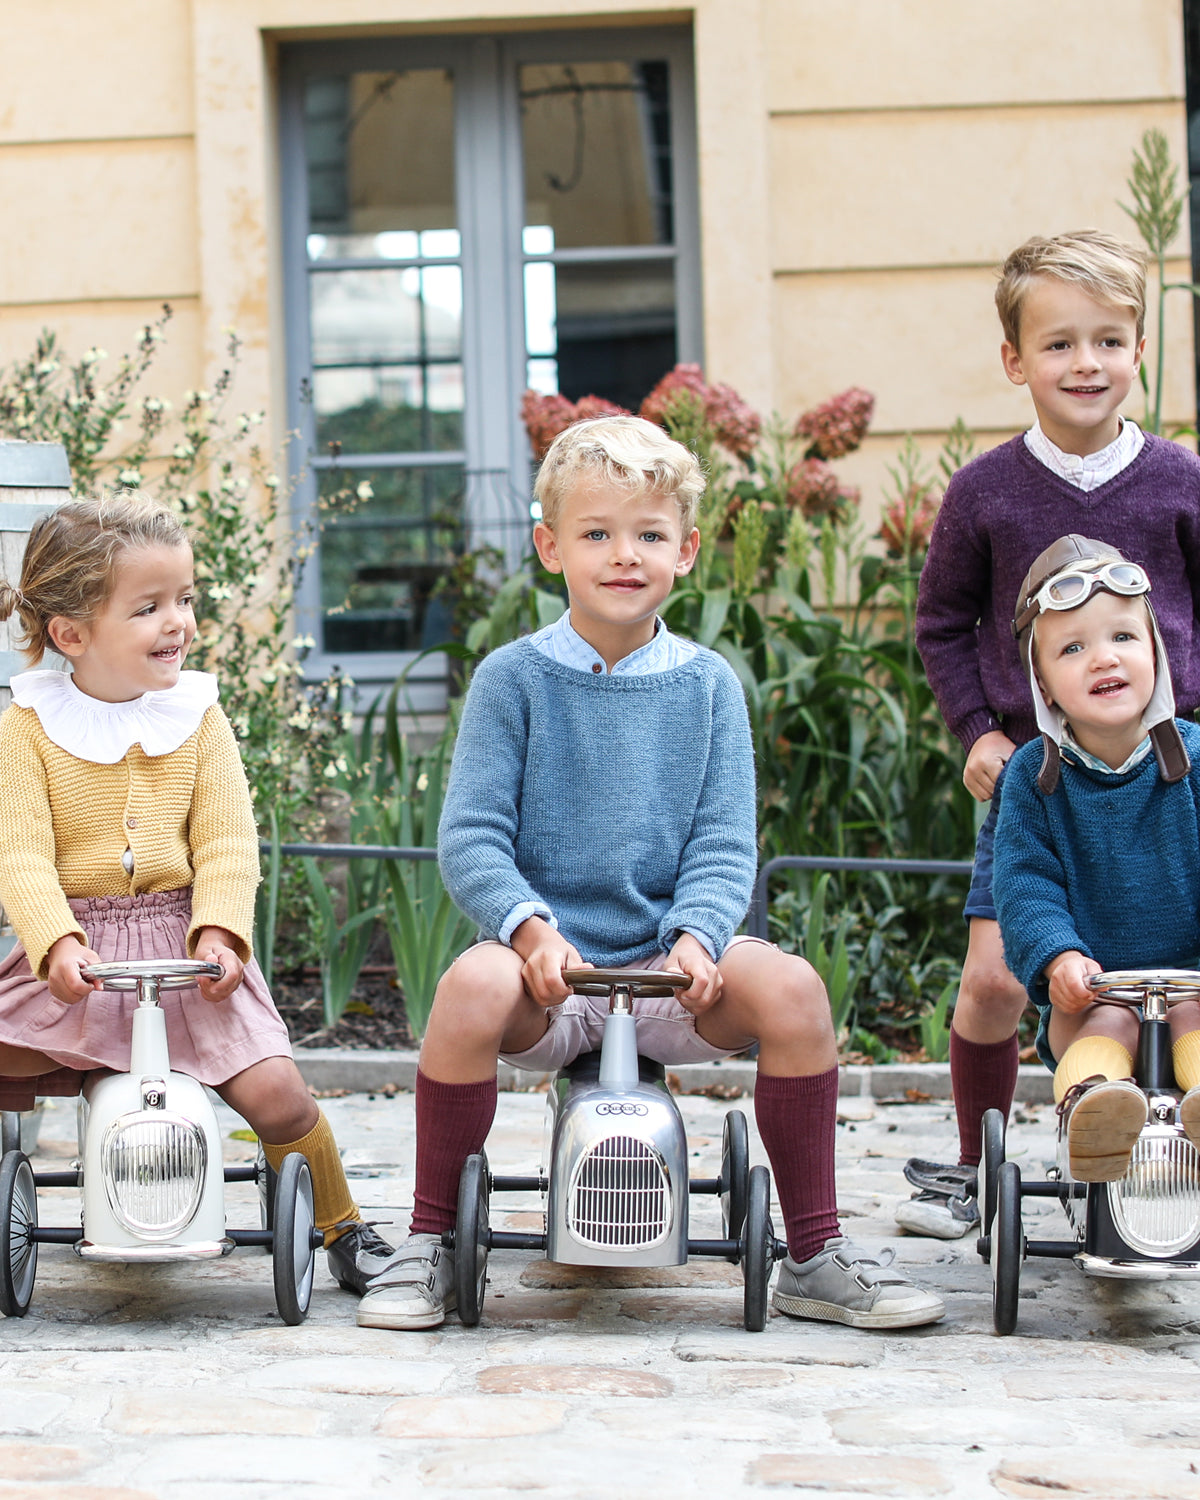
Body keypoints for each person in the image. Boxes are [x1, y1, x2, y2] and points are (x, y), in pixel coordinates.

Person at [356, 415, 944, 1333]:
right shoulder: (512, 680)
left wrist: (697, 939)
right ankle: (429, 1242)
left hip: (675, 974)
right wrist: (528, 929)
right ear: (550, 547)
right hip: (549, 977)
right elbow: (471, 839)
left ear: (687, 550)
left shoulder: (706, 684)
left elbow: (721, 845)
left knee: (792, 990)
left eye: (649, 535)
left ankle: (814, 1252)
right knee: (468, 988)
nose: (623, 555)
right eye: (596, 534)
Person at [0, 492, 394, 1295]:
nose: (178, 621)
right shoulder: (28, 729)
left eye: (185, 599)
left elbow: (225, 842)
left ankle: (340, 1222)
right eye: (148, 607)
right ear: (71, 635)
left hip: (186, 949)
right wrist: (57, 941)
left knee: (277, 1094)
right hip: (80, 952)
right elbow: (22, 855)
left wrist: (220, 930)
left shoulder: (198, 719)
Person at [904, 228, 1200, 1234]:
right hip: (1038, 779)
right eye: (1061, 343)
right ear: (1014, 360)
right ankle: (974, 1166)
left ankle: (1178, 1134)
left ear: (1139, 351)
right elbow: (942, 620)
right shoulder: (987, 492)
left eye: (1109, 341)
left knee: (1178, 979)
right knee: (994, 979)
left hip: (1171, 772)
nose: (1087, 364)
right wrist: (976, 731)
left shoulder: (1179, 478)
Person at [993, 536, 1200, 1177]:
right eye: (1073, 648)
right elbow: (1026, 884)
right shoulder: (1034, 777)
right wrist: (1056, 955)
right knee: (1109, 1025)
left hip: (1193, 981)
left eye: (1122, 639)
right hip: (1095, 989)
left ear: (1157, 657)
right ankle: (1093, 1113)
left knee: (1196, 1017)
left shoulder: (1195, 758)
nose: (1102, 659)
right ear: (1044, 687)